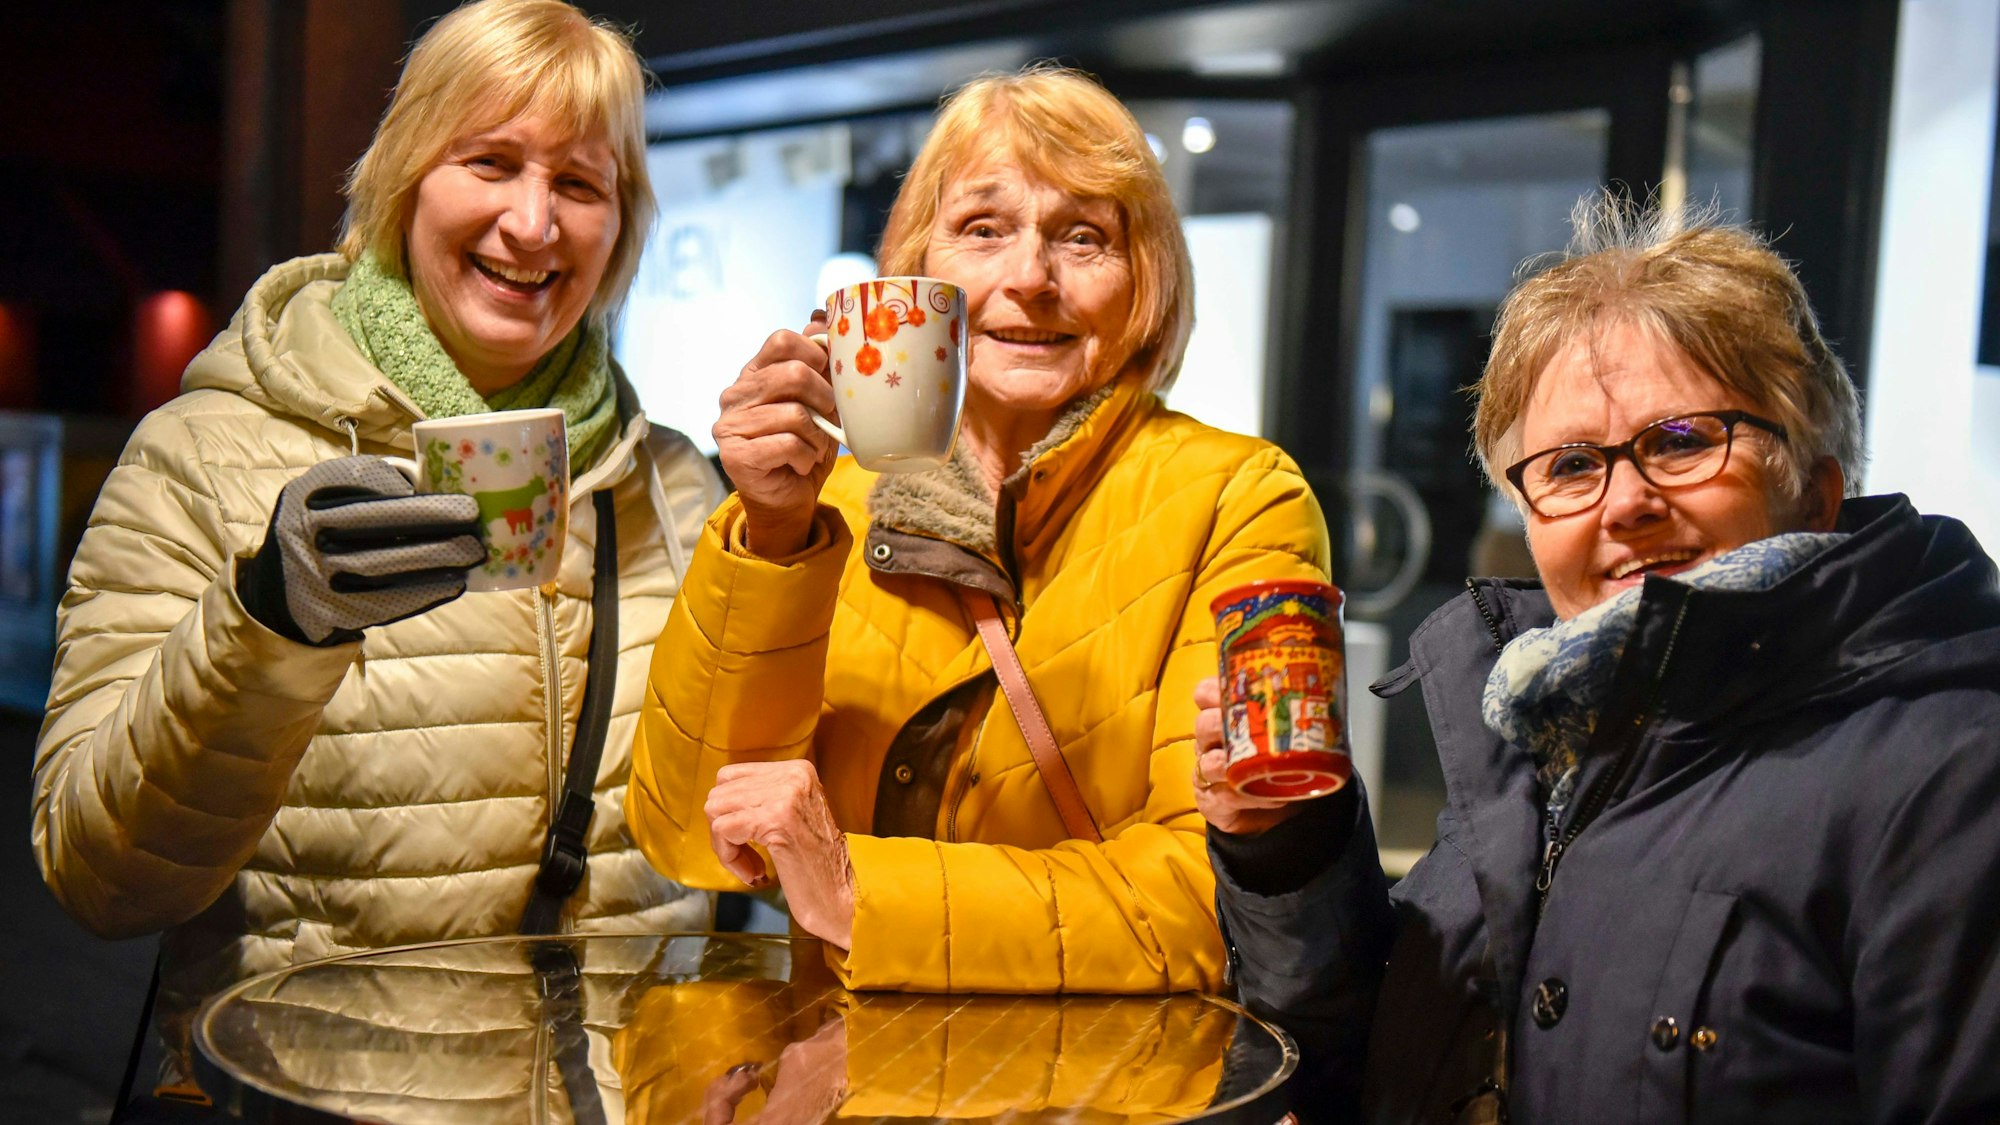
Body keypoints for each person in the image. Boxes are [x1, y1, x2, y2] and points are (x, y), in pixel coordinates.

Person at [30, 0, 724, 1103]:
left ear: (621, 226)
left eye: (580, 185)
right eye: (490, 162)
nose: (534, 223)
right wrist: (266, 623)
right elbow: (100, 876)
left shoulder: (676, 483)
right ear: (403, 178)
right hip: (313, 1094)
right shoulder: (207, 452)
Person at [1198, 199, 2000, 1122]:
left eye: (1684, 441)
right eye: (1572, 464)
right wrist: (1288, 844)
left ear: (1815, 493)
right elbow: (1365, 1063)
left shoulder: (1949, 768)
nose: (1625, 502)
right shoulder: (1535, 726)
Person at [625, 65, 1331, 992]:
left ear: (1145, 279)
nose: (1029, 278)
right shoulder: (815, 506)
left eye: (1084, 237)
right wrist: (769, 538)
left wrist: (859, 891)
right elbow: (690, 839)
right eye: (983, 228)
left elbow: (1209, 899)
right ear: (918, 273)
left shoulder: (1238, 496)